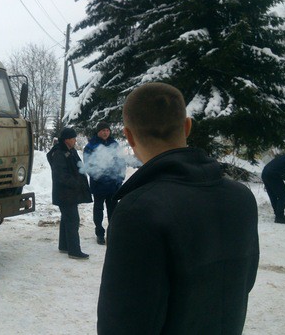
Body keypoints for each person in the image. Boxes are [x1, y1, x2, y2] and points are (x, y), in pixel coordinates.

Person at [97, 83, 259, 334]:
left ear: (128, 136)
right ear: (187, 126)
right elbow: (242, 283)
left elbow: (123, 321)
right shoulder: (241, 198)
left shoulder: (138, 211)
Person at [47, 127, 92, 259]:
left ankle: (64, 245)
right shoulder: (59, 153)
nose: (75, 140)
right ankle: (74, 250)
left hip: (69, 193)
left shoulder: (70, 150)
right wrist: (76, 183)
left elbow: (77, 166)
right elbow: (60, 175)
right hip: (64, 193)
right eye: (73, 138)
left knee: (67, 218)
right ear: (67, 139)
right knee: (73, 219)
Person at [83, 120, 125, 245]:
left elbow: (121, 162)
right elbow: (88, 165)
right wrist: (98, 177)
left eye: (107, 130)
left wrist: (120, 178)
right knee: (98, 210)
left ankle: (112, 233)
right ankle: (99, 234)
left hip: (113, 185)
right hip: (99, 185)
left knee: (113, 211)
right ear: (98, 132)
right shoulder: (91, 146)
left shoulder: (114, 144)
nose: (106, 132)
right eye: (103, 130)